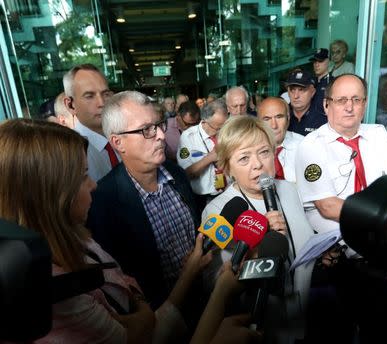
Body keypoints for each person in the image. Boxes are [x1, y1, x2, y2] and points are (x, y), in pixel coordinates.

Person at [0, 119, 212, 343]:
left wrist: (140, 307)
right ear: (49, 196)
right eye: (83, 177)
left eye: (159, 125)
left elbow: (122, 280)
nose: (93, 185)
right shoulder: (57, 293)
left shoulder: (77, 235)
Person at [295, 74, 387, 343]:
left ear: (365, 104)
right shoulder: (310, 146)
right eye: (341, 100)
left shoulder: (378, 135)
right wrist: (381, 221)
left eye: (356, 100)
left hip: (385, 252)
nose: (349, 107)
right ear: (326, 105)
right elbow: (327, 206)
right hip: (345, 258)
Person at [203, 115, 315, 343]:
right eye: (244, 158)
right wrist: (259, 246)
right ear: (227, 168)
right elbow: (217, 283)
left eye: (264, 152)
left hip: (304, 317)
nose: (258, 164)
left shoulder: (289, 190)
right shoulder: (217, 211)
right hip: (258, 325)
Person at [87, 91, 200, 312]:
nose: (160, 135)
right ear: (118, 142)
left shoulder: (177, 174)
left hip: (199, 297)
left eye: (158, 125)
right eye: (146, 129)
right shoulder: (103, 202)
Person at [63, 64, 119, 182]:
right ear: (70, 105)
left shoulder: (125, 136)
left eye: (106, 94)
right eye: (89, 96)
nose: (101, 103)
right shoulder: (69, 155)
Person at [177, 99, 229, 207]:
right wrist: (210, 158)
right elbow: (185, 174)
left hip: (228, 192)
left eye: (224, 127)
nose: (221, 132)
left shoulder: (227, 132)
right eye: (218, 128)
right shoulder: (188, 137)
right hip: (203, 199)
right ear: (204, 121)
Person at [257, 96, 303, 183]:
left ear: (288, 118)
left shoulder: (305, 146)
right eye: (267, 119)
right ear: (259, 122)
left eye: (279, 117)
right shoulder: (249, 149)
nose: (274, 125)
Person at [285, 68, 326, 136]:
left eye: (301, 90)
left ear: (312, 92)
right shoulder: (282, 114)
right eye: (292, 90)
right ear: (288, 92)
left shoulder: (323, 115)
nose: (296, 96)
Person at [310, 48, 334, 116]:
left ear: (328, 61)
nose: (316, 65)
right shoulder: (310, 81)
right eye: (314, 61)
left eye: (320, 61)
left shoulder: (333, 82)